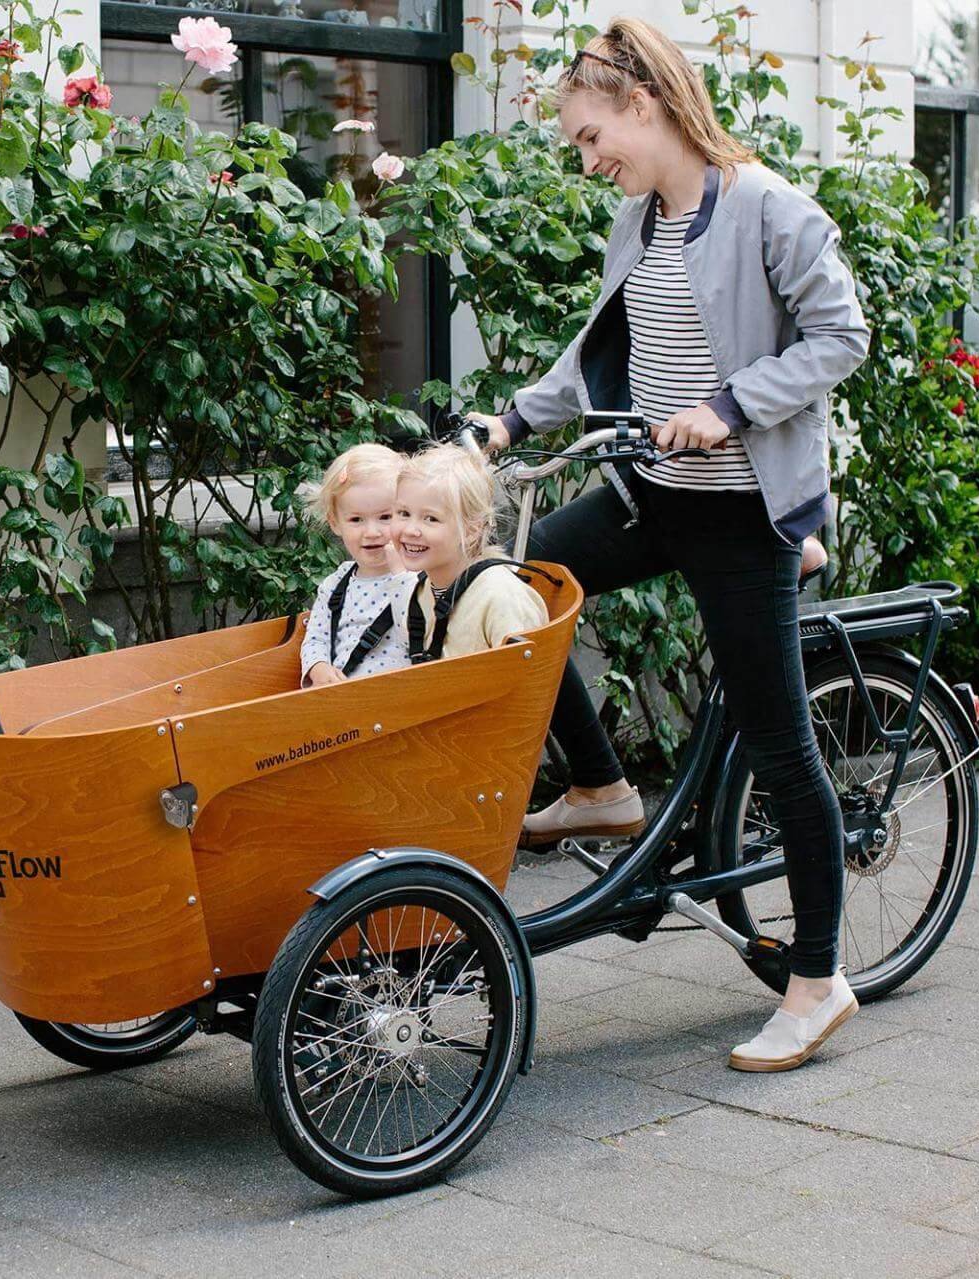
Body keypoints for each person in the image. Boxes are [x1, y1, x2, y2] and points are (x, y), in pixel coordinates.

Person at [467, 17, 868, 1071]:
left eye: (596, 137)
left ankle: (818, 981)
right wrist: (508, 422)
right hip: (652, 491)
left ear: (644, 105)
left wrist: (730, 405)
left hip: (740, 512)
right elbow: (604, 348)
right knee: (514, 587)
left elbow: (842, 337)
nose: (590, 159)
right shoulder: (640, 223)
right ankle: (602, 787)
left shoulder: (772, 210)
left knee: (782, 748)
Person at [396, 444, 549, 658]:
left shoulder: (501, 596)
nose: (410, 530)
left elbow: (528, 682)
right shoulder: (420, 590)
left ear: (471, 530)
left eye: (431, 518)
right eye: (403, 513)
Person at [299, 443, 419, 688]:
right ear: (335, 523)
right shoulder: (336, 583)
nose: (372, 532)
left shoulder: (418, 575)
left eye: (386, 517)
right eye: (356, 520)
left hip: (401, 701)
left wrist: (401, 576)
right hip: (344, 703)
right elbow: (316, 638)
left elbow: (417, 635)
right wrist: (318, 667)